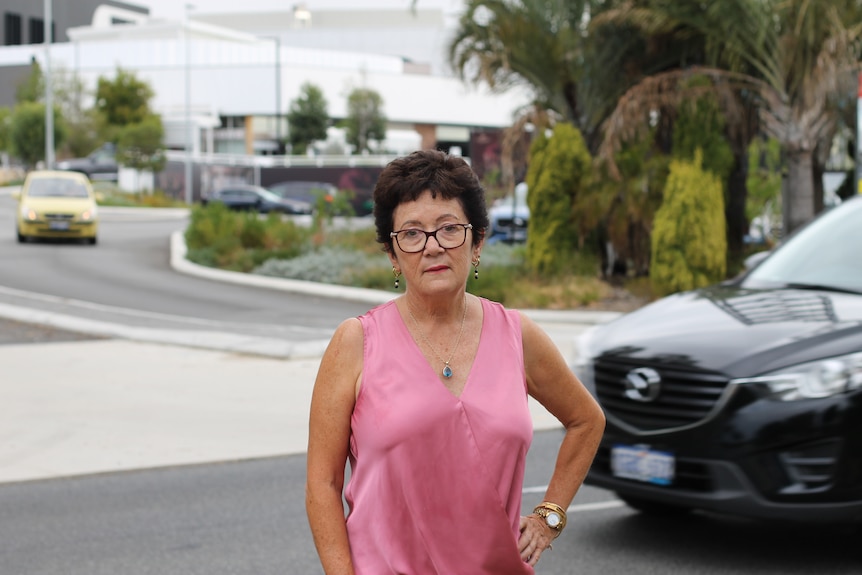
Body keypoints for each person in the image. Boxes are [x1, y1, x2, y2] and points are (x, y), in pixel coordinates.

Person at [306, 149, 605, 574]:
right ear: (393, 255)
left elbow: (586, 420)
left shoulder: (517, 335)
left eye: (449, 228)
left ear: (477, 240)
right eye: (411, 234)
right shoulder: (356, 342)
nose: (432, 247)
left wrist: (549, 516)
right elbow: (323, 484)